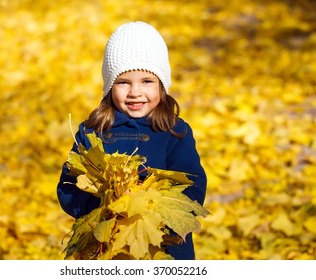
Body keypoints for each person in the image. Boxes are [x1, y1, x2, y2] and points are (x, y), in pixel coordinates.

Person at [57, 21, 207, 260]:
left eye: (147, 81)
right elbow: (67, 187)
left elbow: (193, 183)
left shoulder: (174, 132)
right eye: (123, 82)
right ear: (109, 86)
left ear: (162, 85)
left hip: (163, 246)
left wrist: (158, 212)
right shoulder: (92, 132)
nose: (135, 92)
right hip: (104, 248)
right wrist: (100, 208)